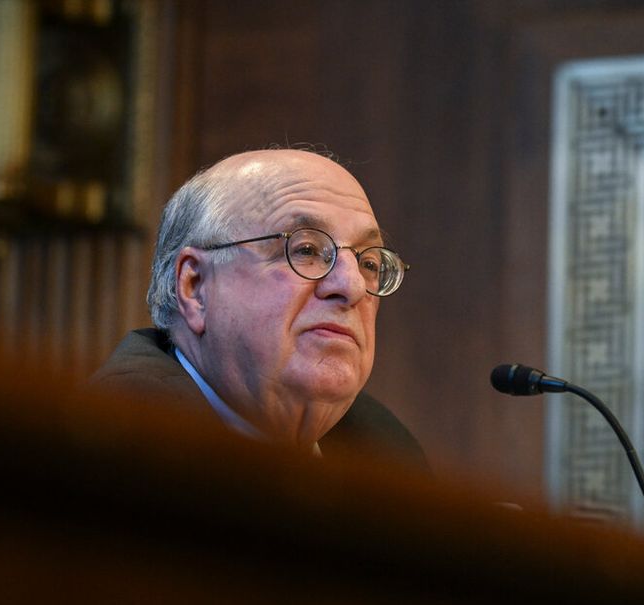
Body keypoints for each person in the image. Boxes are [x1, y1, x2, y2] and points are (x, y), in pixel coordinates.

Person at [92, 148, 427, 470]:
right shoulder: (118, 441)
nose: (352, 286)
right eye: (306, 250)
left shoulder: (384, 450)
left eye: (369, 263)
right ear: (195, 287)